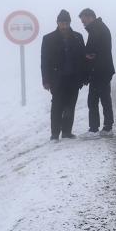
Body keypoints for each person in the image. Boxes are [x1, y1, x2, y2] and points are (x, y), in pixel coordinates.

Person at [41, 9, 86, 141]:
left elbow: (82, 59)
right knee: (56, 106)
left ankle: (67, 132)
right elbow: (45, 61)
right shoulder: (48, 38)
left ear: (70, 22)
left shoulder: (78, 37)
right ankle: (55, 134)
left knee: (70, 105)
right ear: (57, 22)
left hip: (74, 78)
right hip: (57, 79)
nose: (64, 25)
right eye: (61, 22)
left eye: (66, 22)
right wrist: (46, 80)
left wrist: (83, 77)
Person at [79, 8, 115, 138]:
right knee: (105, 99)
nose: (83, 24)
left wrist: (86, 54)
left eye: (84, 21)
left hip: (99, 70)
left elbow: (92, 51)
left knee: (93, 100)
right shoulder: (100, 28)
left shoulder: (96, 30)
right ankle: (107, 128)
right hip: (103, 70)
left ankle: (94, 129)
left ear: (90, 18)